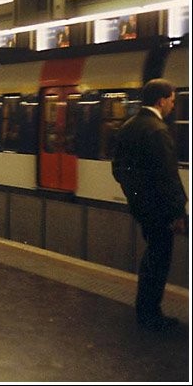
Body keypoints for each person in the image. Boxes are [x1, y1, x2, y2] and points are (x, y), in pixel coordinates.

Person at [112, 78, 187, 331]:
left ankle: (146, 309)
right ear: (161, 100)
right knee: (159, 259)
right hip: (161, 209)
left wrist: (135, 194)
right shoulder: (157, 130)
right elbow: (168, 175)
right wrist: (179, 211)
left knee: (152, 257)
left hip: (142, 206)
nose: (173, 106)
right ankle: (150, 313)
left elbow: (118, 169)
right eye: (172, 101)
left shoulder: (129, 126)